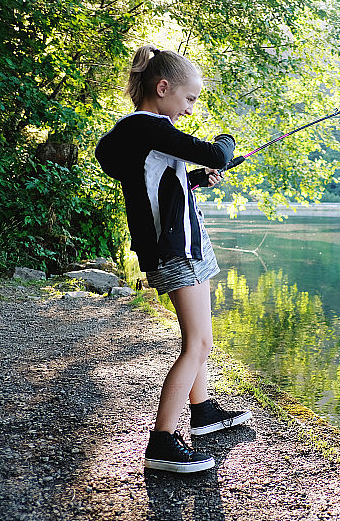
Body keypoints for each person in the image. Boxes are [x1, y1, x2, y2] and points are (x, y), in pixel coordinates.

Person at [95, 45, 252, 473]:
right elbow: (218, 151)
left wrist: (196, 178)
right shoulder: (147, 127)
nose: (190, 108)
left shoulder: (145, 134)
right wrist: (224, 145)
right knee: (199, 343)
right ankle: (162, 441)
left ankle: (201, 412)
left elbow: (160, 183)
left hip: (186, 243)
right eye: (189, 99)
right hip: (174, 248)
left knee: (200, 340)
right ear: (162, 88)